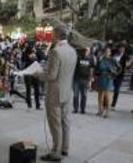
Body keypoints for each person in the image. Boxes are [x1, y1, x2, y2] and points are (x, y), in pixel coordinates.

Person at [34, 25, 77, 162]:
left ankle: (55, 152)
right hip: (67, 91)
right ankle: (65, 148)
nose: (51, 36)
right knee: (65, 121)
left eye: (52, 34)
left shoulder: (56, 52)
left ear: (57, 35)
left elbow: (52, 75)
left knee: (55, 123)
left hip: (55, 93)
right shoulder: (73, 51)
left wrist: (39, 74)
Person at [95, 47, 118, 118]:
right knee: (100, 95)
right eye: (105, 51)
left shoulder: (112, 60)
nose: (106, 53)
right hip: (101, 78)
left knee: (107, 96)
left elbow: (119, 68)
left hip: (108, 79)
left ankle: (107, 112)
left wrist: (113, 74)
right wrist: (97, 74)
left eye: (108, 51)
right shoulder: (101, 60)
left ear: (110, 52)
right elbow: (96, 69)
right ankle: (100, 110)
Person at [73, 47, 94, 114]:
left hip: (85, 79)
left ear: (89, 51)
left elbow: (91, 69)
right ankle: (75, 109)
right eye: (84, 50)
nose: (85, 52)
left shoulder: (91, 59)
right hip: (77, 79)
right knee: (76, 95)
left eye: (87, 50)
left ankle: (82, 109)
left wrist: (90, 80)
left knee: (84, 95)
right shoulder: (78, 58)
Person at [110, 45, 129, 110]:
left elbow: (126, 66)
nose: (121, 50)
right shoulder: (114, 55)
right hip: (112, 74)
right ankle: (105, 102)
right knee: (107, 89)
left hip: (119, 75)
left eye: (123, 48)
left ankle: (113, 105)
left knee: (116, 90)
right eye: (120, 48)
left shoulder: (126, 57)